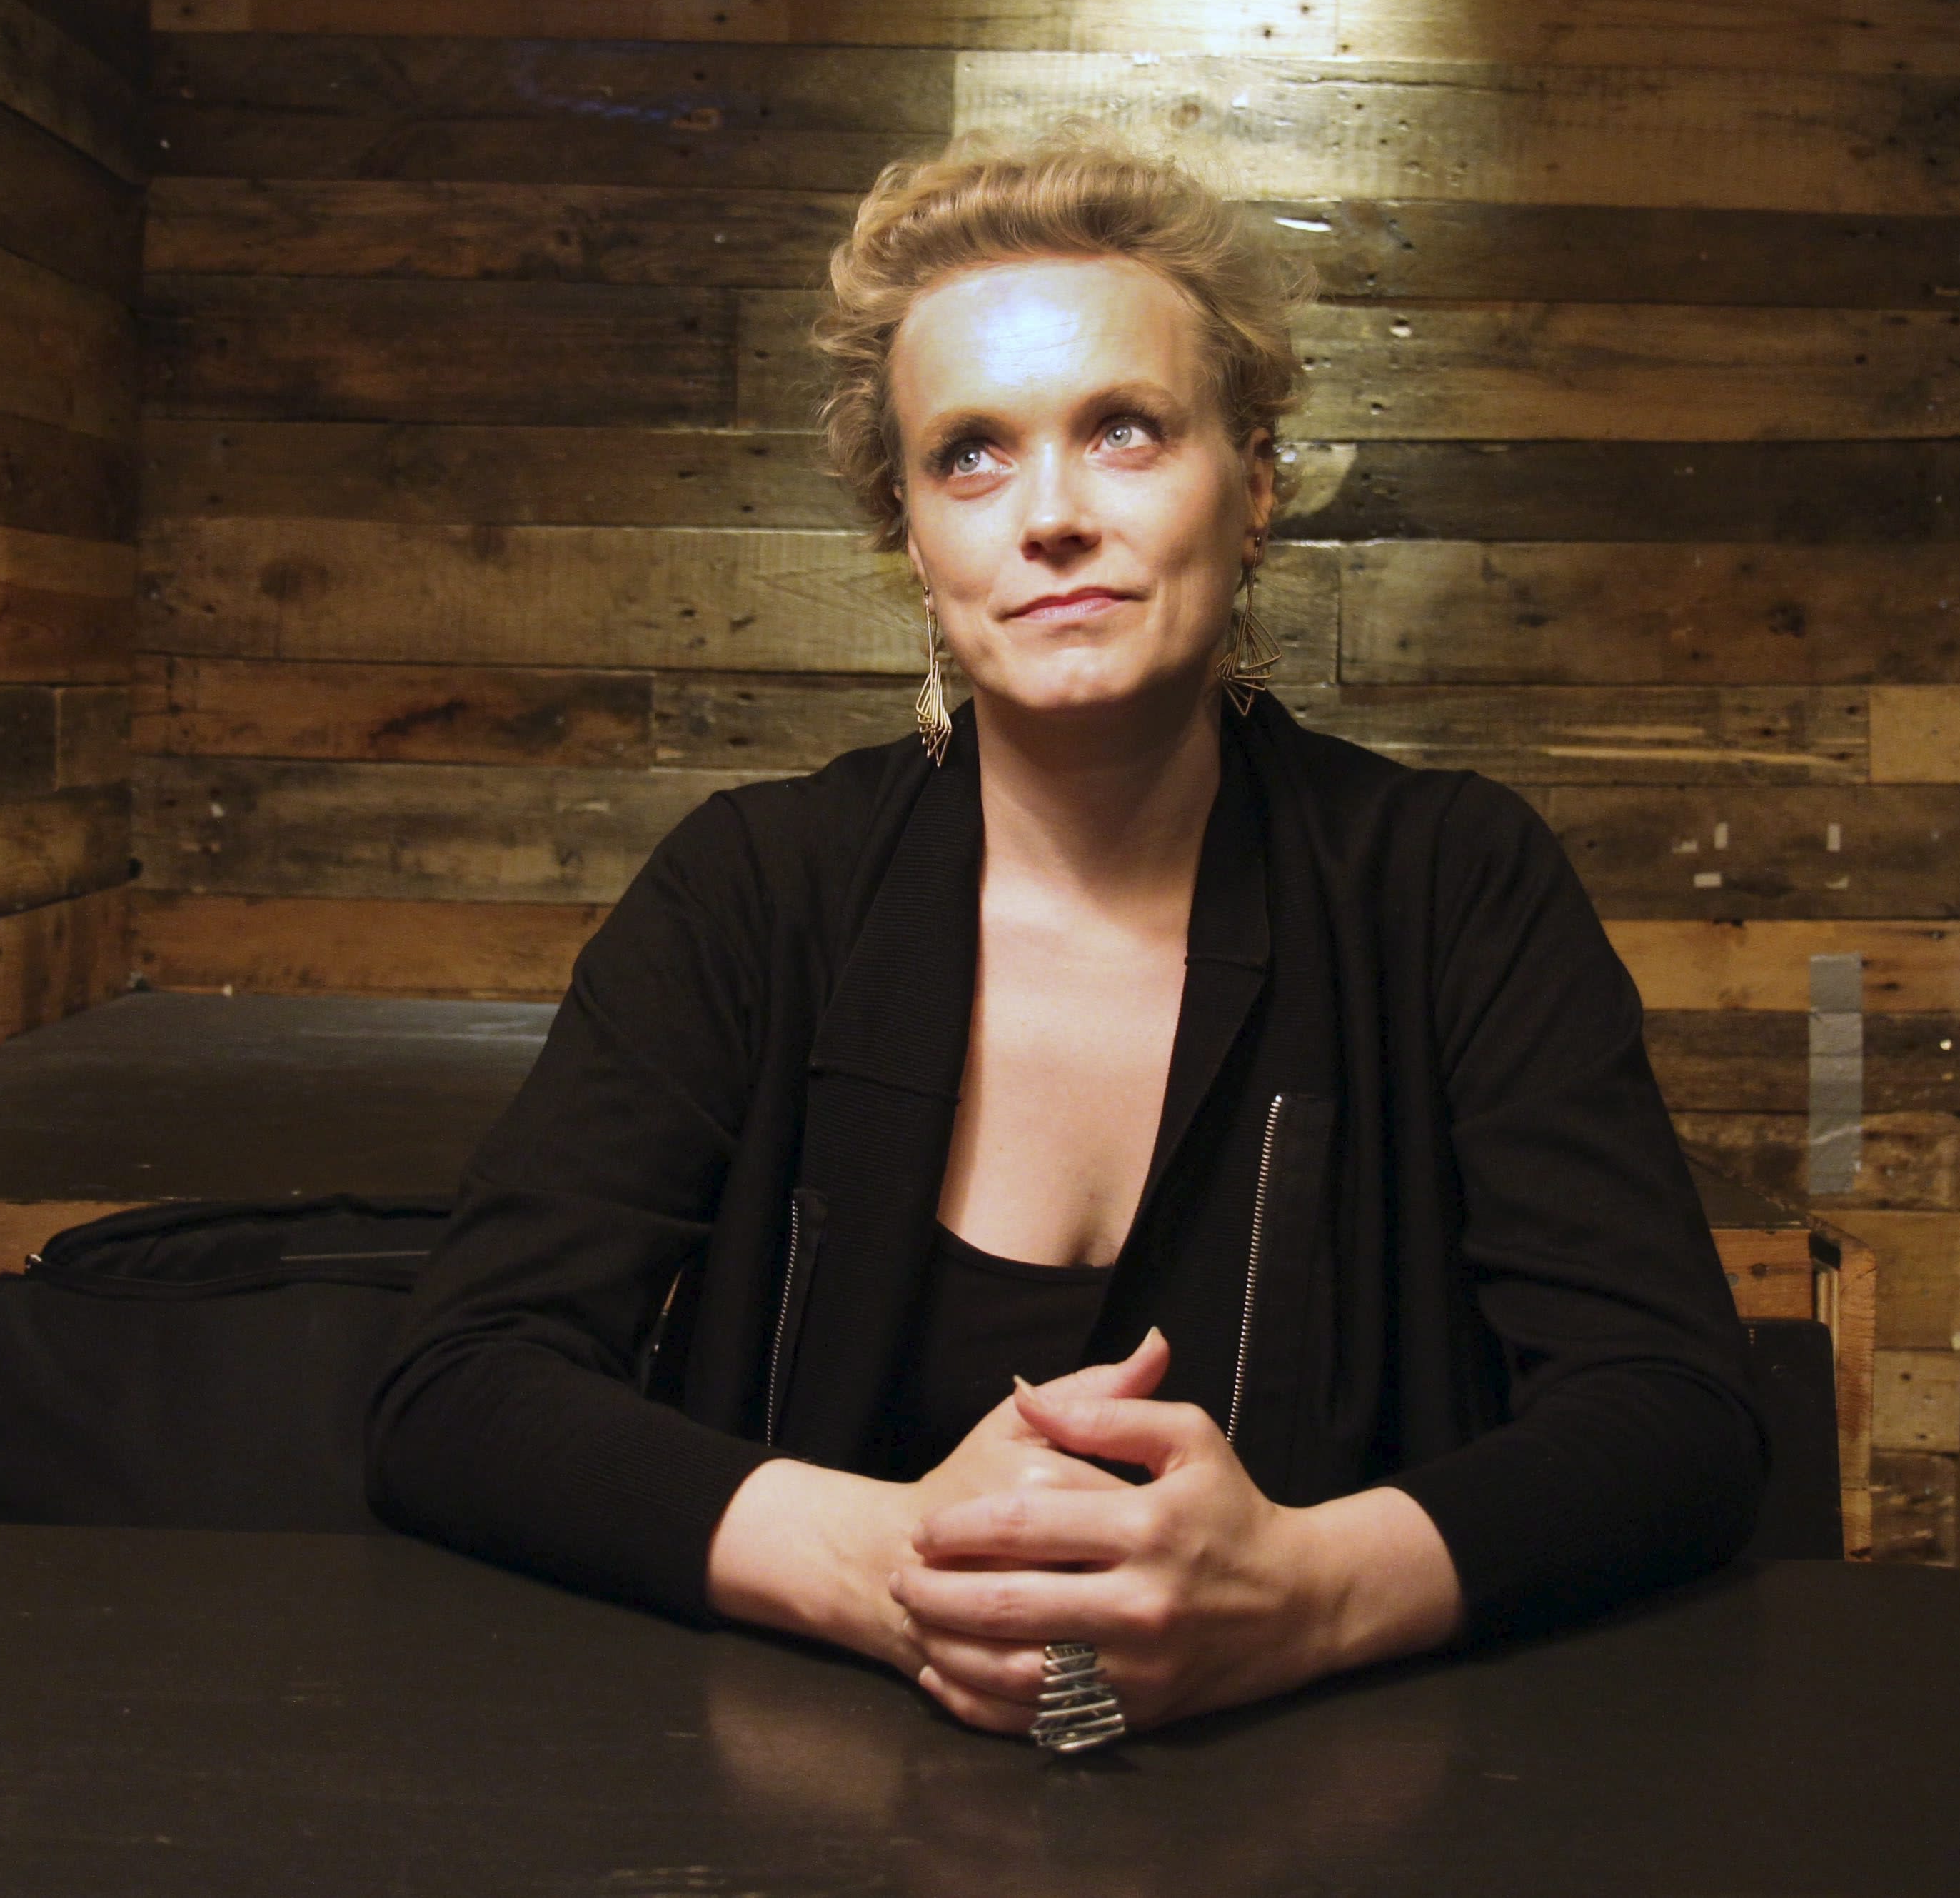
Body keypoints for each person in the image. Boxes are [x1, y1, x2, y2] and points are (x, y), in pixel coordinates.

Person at [367, 134, 1766, 1745]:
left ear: (1254, 487)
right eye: (969, 455)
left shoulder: (1453, 884)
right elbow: (457, 1385)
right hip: (796, 1817)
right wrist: (884, 1564)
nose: (1049, 516)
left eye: (1123, 430)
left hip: (1355, 1814)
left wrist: (1309, 1595)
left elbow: (1675, 1416)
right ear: (912, 539)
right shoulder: (752, 892)